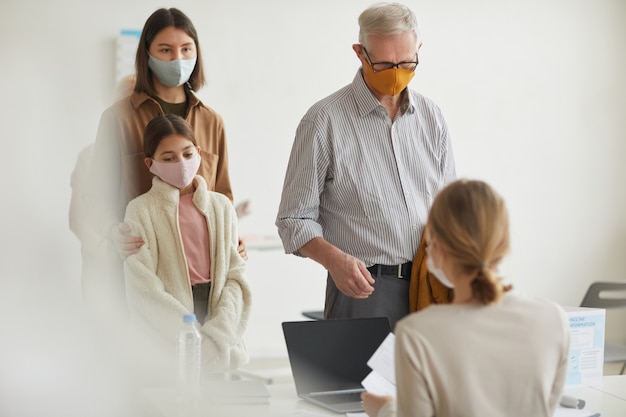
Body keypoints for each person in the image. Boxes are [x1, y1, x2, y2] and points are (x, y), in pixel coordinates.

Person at [275, 2, 455, 328]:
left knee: (428, 381)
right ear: (360, 53)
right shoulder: (324, 121)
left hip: (430, 287)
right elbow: (293, 219)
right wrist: (334, 261)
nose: (397, 73)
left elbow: (450, 208)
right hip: (362, 291)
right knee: (358, 381)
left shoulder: (432, 118)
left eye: (408, 62)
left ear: (419, 49)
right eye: (385, 63)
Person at [86, 8, 246, 321]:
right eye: (165, 50)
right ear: (147, 54)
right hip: (143, 271)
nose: (177, 59)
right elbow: (95, 195)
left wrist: (233, 238)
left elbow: (223, 195)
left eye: (186, 49)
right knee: (145, 366)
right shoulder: (119, 118)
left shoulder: (212, 121)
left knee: (206, 360)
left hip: (205, 277)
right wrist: (110, 230)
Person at [361, 180, 570, 417]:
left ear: (435, 246)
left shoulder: (418, 332)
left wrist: (386, 410)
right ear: (504, 242)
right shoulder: (554, 319)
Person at [123, 114, 250, 372]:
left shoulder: (221, 207)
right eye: (168, 158)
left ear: (199, 152)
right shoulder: (140, 210)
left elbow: (236, 277)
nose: (180, 164)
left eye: (187, 154)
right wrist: (187, 334)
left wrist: (217, 336)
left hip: (216, 312)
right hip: (166, 327)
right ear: (151, 163)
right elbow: (142, 285)